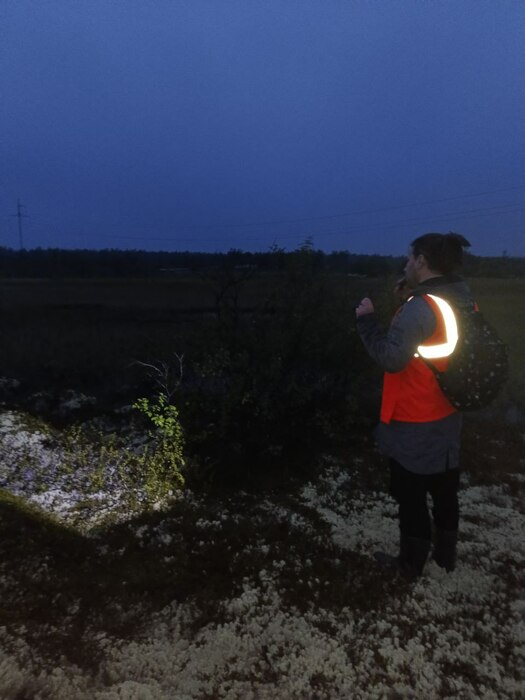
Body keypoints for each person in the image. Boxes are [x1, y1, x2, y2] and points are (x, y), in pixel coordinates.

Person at [355, 232, 473, 578]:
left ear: (421, 260)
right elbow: (434, 338)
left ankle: (409, 565)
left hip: (415, 415)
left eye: (410, 258)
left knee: (411, 493)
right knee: (445, 488)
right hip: (448, 411)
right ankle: (445, 557)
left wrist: (366, 321)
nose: (406, 263)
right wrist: (409, 297)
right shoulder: (460, 298)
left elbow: (392, 358)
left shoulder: (420, 307)